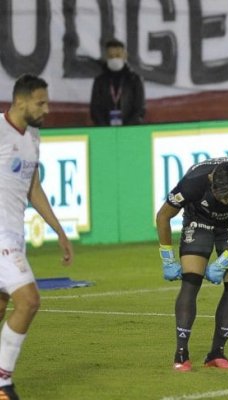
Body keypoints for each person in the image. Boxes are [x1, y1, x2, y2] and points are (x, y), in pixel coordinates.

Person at [0, 74, 74, 399]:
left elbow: (33, 187)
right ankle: (3, 383)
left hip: (14, 233)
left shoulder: (33, 135)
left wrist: (58, 229)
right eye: (40, 102)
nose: (47, 108)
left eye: (48, 101)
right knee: (29, 300)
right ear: (19, 101)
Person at [156, 158, 228, 370]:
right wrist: (167, 257)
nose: (224, 202)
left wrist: (225, 260)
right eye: (220, 195)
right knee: (191, 277)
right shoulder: (193, 182)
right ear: (211, 180)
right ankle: (181, 353)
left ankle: (217, 352)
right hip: (199, 219)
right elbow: (163, 216)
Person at [90, 39, 145, 126]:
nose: (114, 59)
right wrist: (105, 128)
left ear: (125, 56)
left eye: (118, 55)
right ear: (106, 57)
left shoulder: (134, 80)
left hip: (130, 130)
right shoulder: (99, 81)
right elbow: (95, 109)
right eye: (111, 56)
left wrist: (127, 128)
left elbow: (139, 108)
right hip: (105, 131)